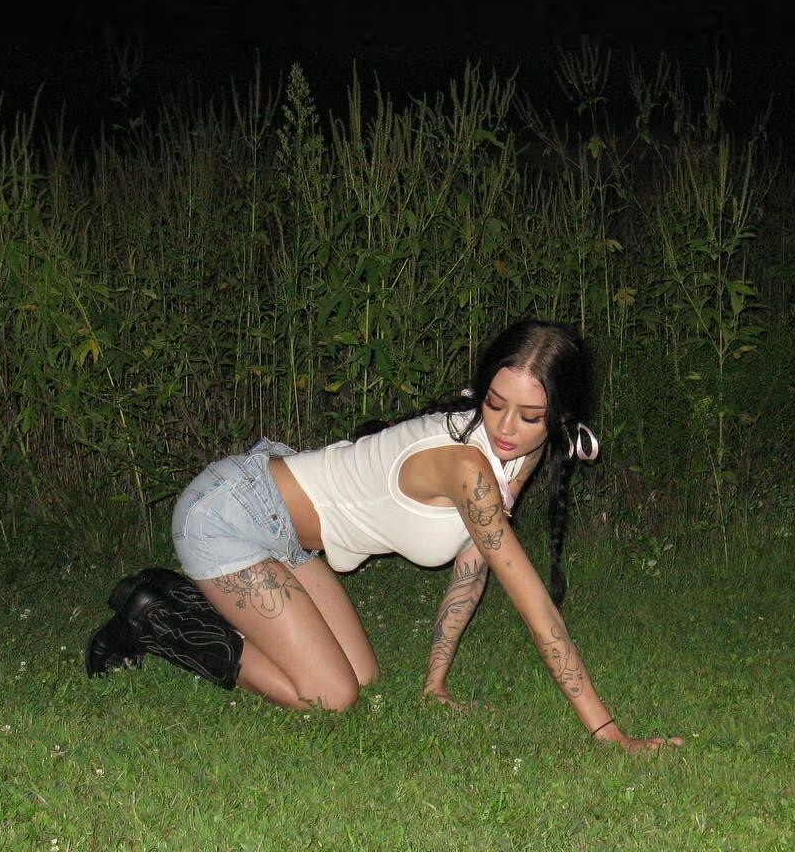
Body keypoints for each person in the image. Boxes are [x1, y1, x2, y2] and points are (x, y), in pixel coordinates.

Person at [87, 320, 680, 752]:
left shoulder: (518, 455)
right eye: (495, 404)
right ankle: (158, 616)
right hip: (228, 516)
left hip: (284, 535)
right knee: (331, 696)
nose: (505, 428)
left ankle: (187, 604)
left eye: (529, 417)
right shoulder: (467, 467)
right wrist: (609, 733)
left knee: (363, 676)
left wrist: (435, 682)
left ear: (559, 416)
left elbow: (473, 562)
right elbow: (535, 607)